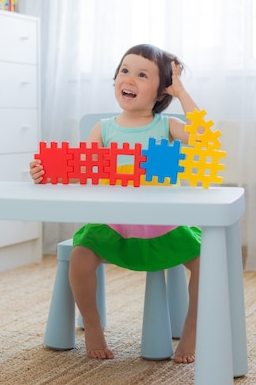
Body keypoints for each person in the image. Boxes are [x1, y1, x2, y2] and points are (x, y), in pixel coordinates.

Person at [29, 44, 201, 363]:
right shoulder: (104, 129)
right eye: (124, 71)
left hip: (162, 225)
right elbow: (79, 172)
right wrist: (46, 174)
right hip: (113, 225)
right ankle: (93, 327)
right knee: (79, 258)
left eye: (142, 74)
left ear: (161, 92)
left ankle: (191, 332)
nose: (129, 79)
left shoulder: (167, 127)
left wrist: (180, 90)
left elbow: (204, 137)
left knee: (206, 263)